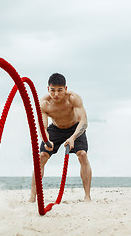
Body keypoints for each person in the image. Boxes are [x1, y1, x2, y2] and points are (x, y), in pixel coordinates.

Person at [29, 73, 92, 202]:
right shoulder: (44, 103)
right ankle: (32, 196)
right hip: (56, 128)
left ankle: (87, 196)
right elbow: (43, 127)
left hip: (74, 127)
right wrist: (46, 141)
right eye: (52, 90)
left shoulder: (73, 98)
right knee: (41, 157)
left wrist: (73, 137)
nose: (56, 94)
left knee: (82, 154)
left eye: (60, 90)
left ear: (65, 88)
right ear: (48, 89)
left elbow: (84, 121)